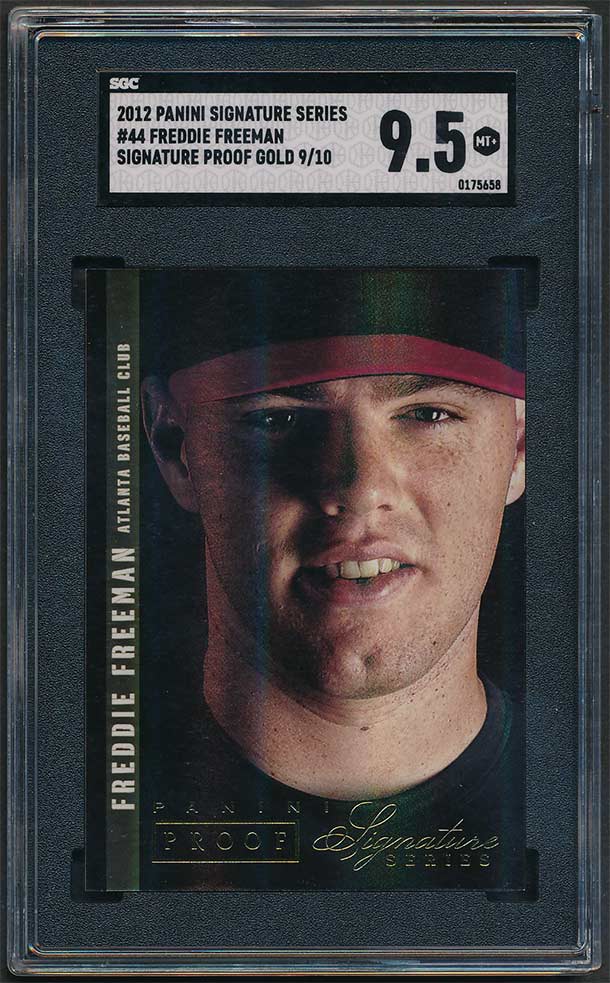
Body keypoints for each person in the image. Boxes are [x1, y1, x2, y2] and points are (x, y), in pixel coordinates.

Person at [140, 267, 528, 890]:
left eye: (428, 413)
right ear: (173, 445)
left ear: (519, 445)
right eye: (275, 419)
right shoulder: (54, 817)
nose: (360, 487)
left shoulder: (586, 825)